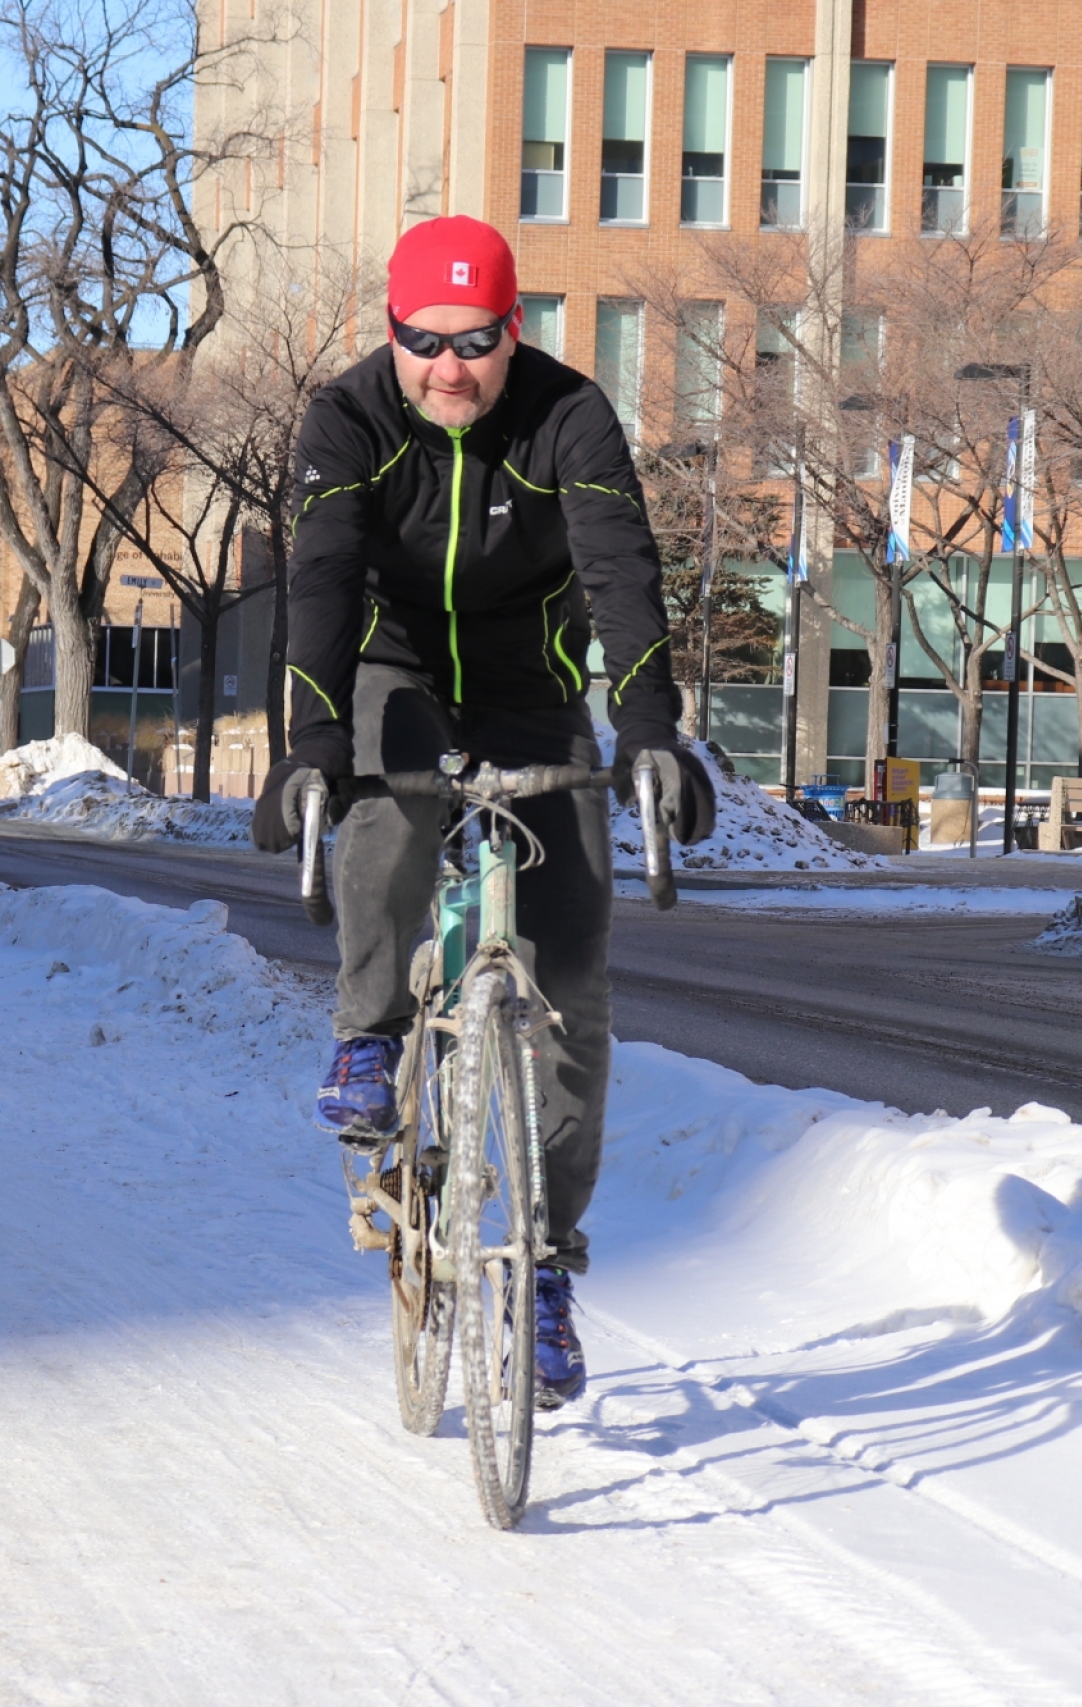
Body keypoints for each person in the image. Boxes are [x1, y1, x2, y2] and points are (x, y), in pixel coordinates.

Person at [251, 215, 715, 1407]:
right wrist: (310, 746)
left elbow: (621, 570)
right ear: (392, 333)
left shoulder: (570, 416)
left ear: (515, 332)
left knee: (573, 975)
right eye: (424, 341)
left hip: (530, 690)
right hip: (392, 670)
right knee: (395, 805)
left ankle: (545, 1271)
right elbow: (321, 580)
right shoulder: (347, 418)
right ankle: (369, 1037)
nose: (448, 368)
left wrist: (649, 731)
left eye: (475, 342)